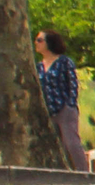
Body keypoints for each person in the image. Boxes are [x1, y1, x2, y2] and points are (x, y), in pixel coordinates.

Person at [35, 29, 84, 170]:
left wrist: (70, 105)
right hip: (49, 112)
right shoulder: (39, 67)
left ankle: (84, 173)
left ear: (49, 42)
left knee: (71, 143)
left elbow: (73, 84)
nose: (36, 43)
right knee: (57, 146)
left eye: (40, 40)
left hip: (64, 110)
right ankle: (66, 174)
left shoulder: (64, 62)